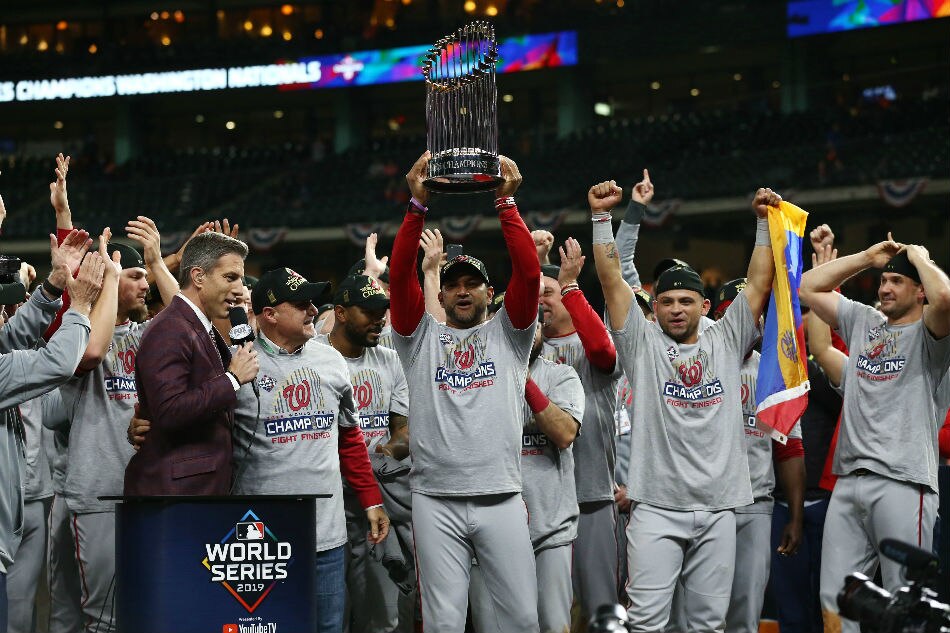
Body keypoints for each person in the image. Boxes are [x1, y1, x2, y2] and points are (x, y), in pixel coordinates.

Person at [590, 180, 778, 630]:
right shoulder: (641, 341)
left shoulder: (728, 337)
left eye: (686, 301)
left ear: (706, 305)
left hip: (719, 508)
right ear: (653, 308)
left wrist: (763, 225)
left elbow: (758, 280)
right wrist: (601, 218)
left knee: (708, 626)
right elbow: (612, 279)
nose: (676, 309)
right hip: (655, 506)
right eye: (667, 302)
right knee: (647, 624)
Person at [388, 152, 541, 632]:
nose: (461, 290)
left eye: (472, 283)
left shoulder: (511, 333)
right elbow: (398, 278)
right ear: (443, 291)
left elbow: (531, 276)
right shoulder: (417, 339)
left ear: (488, 293)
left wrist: (507, 206)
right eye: (453, 283)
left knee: (521, 619)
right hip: (434, 498)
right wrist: (416, 205)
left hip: (501, 495)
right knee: (444, 623)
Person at [799, 228, 950, 633]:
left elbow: (947, 298)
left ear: (921, 292)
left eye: (896, 281)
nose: (885, 287)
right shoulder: (864, 321)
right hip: (849, 481)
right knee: (836, 601)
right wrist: (867, 258)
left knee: (907, 605)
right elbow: (808, 288)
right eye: (884, 280)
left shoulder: (933, 336)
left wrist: (918, 256)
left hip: (903, 482)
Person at [233, 267, 389, 633]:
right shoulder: (237, 364)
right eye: (301, 304)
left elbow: (348, 438)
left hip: (327, 535)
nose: (313, 310)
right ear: (269, 314)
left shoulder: (330, 360)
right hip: (260, 541)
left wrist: (370, 499)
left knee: (328, 627)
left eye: (312, 302)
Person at [60, 218, 178, 633]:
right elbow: (91, 355)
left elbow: (192, 320)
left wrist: (156, 261)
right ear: (112, 279)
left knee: (150, 606)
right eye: (135, 277)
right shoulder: (79, 333)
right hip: (99, 490)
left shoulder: (149, 332)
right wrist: (110, 278)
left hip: (148, 490)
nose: (145, 285)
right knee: (104, 616)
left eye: (146, 278)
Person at [0, 236, 105, 631]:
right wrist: (78, 307)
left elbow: (10, 339)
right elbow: (58, 362)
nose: (5, 310)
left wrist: (54, 285)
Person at [469, 315, 584, 633]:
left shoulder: (561, 375)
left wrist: (520, 375)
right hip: (488, 531)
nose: (524, 332)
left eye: (531, 324)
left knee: (552, 626)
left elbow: (564, 433)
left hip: (549, 530)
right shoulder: (475, 379)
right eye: (514, 325)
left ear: (542, 329)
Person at [124, 231, 258, 495]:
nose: (240, 289)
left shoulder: (195, 324)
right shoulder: (171, 328)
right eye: (230, 277)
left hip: (196, 489)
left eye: (240, 279)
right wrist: (232, 379)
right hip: (176, 494)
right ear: (198, 277)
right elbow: (170, 410)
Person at [318, 273, 410, 633]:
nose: (379, 319)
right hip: (329, 500)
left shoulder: (389, 360)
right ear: (340, 313)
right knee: (329, 615)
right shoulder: (316, 356)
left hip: (375, 498)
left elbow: (404, 429)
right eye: (369, 311)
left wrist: (387, 450)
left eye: (382, 311)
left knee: (382, 615)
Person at [536, 237, 622, 621]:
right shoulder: (522, 347)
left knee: (600, 611)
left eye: (548, 293)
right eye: (536, 294)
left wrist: (569, 287)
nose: (541, 299)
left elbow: (605, 353)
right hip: (535, 499)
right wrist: (537, 263)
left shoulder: (589, 340)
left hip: (590, 494)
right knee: (545, 613)